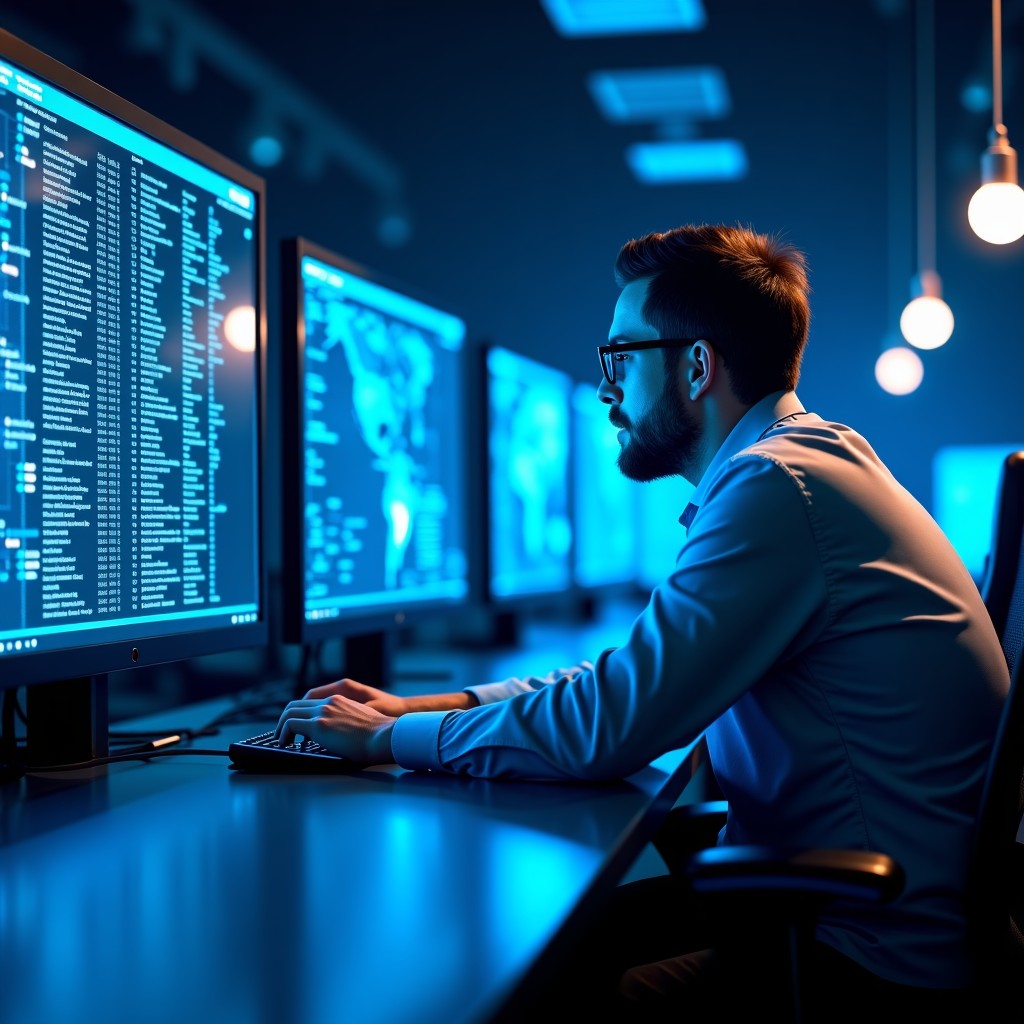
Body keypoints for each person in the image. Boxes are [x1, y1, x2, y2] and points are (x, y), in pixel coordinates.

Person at [274, 223, 1010, 1015]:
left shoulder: (777, 491)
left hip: (867, 959)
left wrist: (386, 742)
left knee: (526, 972)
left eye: (621, 355)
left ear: (696, 367)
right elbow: (627, 679)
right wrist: (422, 707)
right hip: (851, 912)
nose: (605, 387)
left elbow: (610, 725)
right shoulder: (798, 469)